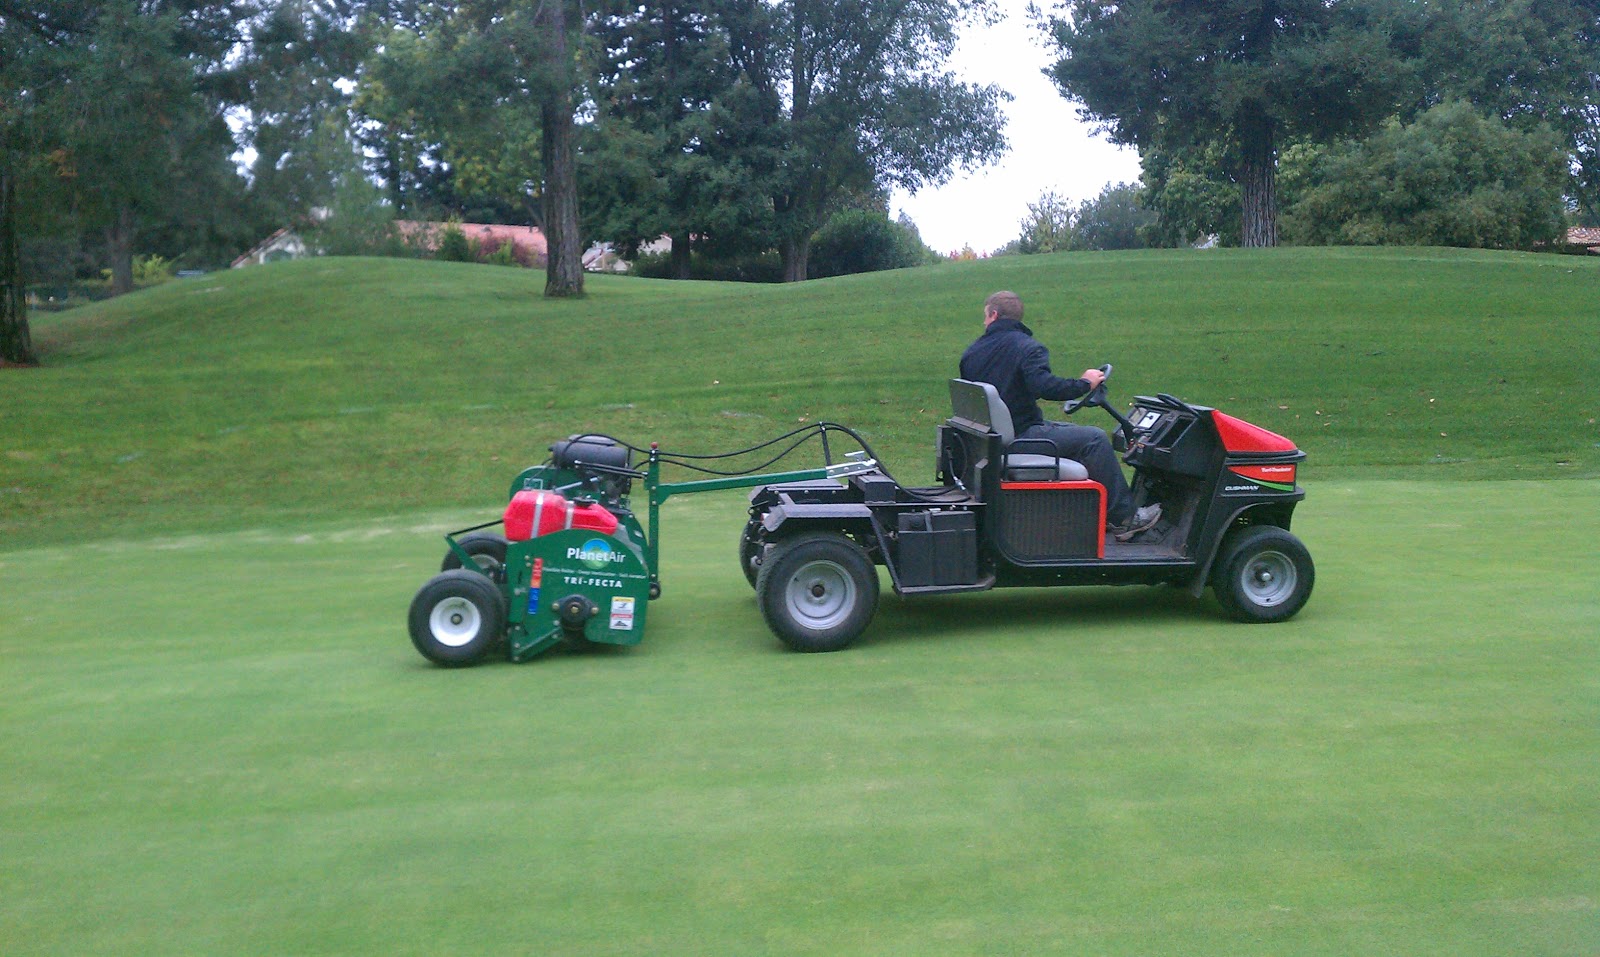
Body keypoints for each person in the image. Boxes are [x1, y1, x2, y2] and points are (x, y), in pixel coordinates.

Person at [959, 290, 1162, 541]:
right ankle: (1125, 518)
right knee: (1095, 439)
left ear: (993, 315)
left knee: (1069, 432)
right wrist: (1084, 384)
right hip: (1020, 436)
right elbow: (1044, 387)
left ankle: (1099, 513)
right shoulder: (1027, 347)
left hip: (990, 439)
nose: (984, 322)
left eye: (985, 317)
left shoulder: (972, 352)